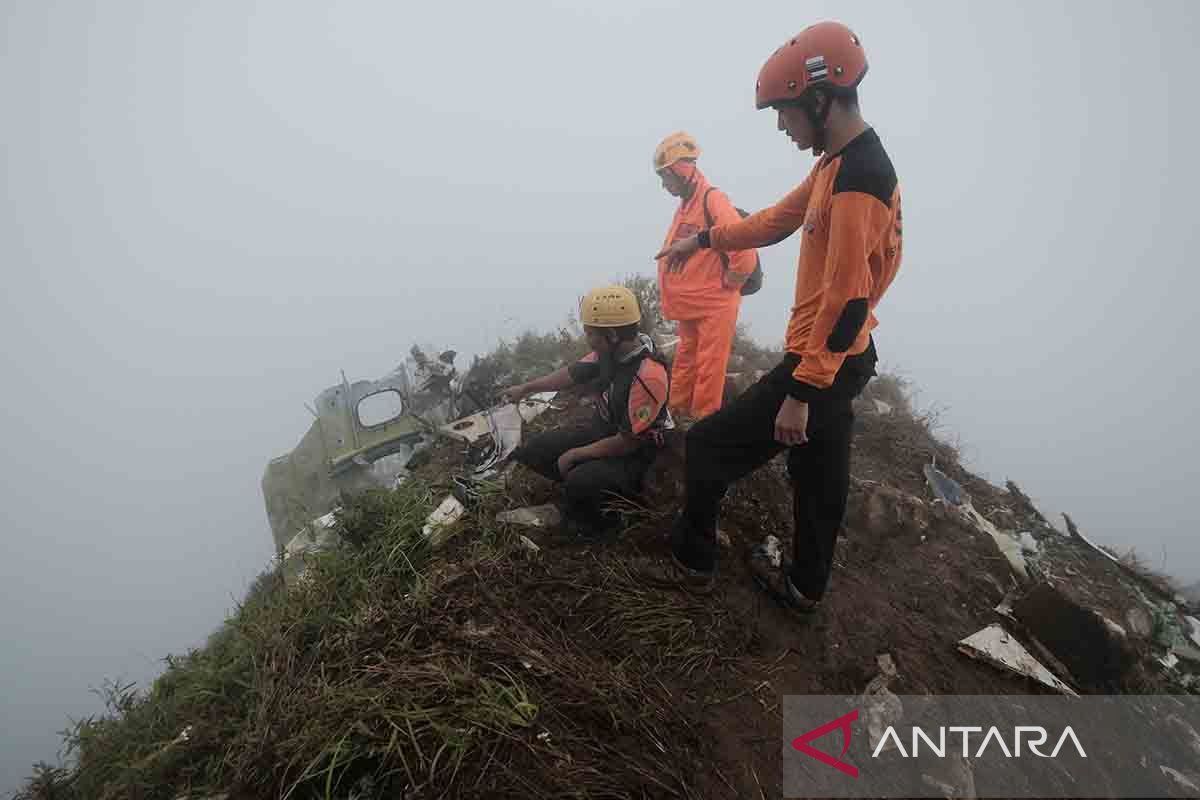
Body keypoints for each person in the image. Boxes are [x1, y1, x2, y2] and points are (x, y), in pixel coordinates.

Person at [647, 21, 903, 613]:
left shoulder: (859, 180)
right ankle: (805, 586)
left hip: (824, 358)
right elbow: (773, 221)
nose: (782, 126)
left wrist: (801, 391)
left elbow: (849, 300)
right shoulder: (835, 164)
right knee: (819, 478)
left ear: (820, 97)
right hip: (843, 353)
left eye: (785, 112)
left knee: (708, 447)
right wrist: (706, 239)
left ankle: (693, 559)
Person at [503, 286, 673, 536]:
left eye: (590, 333)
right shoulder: (610, 352)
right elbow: (571, 374)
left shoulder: (649, 376)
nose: (587, 339)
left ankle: (608, 519)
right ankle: (586, 490)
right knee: (535, 450)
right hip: (606, 432)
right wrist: (526, 388)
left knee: (581, 480)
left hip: (640, 452)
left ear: (612, 335)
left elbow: (628, 442)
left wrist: (575, 454)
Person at [654, 132, 758, 419]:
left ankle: (703, 421)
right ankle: (677, 412)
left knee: (710, 365)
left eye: (666, 177)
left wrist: (733, 281)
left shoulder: (712, 199)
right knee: (686, 359)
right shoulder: (688, 205)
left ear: (680, 171)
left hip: (714, 303)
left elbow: (743, 246)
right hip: (692, 303)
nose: (664, 185)